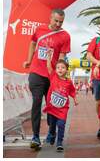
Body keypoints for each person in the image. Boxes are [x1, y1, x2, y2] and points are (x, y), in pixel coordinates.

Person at [22, 9, 71, 150]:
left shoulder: (65, 36)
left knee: (53, 105)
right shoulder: (40, 29)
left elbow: (62, 57)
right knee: (36, 102)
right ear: (50, 18)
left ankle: (51, 130)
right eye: (55, 20)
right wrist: (29, 60)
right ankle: (36, 137)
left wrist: (60, 73)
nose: (58, 24)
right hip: (36, 72)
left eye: (61, 22)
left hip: (52, 75)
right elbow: (32, 43)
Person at [43, 50, 78, 152]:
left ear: (67, 70)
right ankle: (52, 134)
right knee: (52, 125)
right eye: (58, 67)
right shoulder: (53, 76)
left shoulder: (68, 82)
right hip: (52, 107)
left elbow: (72, 91)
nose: (60, 69)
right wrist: (49, 56)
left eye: (62, 68)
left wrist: (75, 98)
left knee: (61, 124)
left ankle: (59, 142)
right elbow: (49, 67)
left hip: (63, 108)